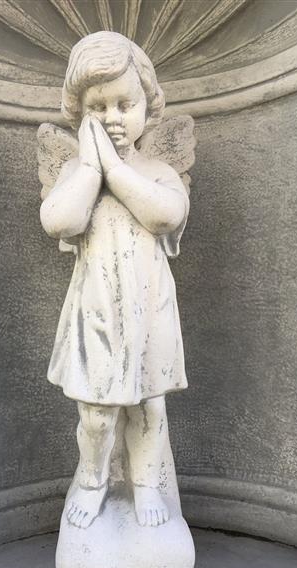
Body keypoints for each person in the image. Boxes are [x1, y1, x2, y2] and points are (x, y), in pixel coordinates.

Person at [40, 31, 189, 529]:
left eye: (125, 103)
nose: (112, 117)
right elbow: (61, 220)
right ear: (80, 115)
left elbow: (165, 214)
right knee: (97, 416)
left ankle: (146, 484)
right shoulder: (77, 173)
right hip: (97, 310)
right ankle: (92, 476)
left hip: (150, 312)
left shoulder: (157, 170)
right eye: (97, 107)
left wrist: (113, 169)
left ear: (148, 106)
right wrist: (89, 166)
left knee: (149, 410)